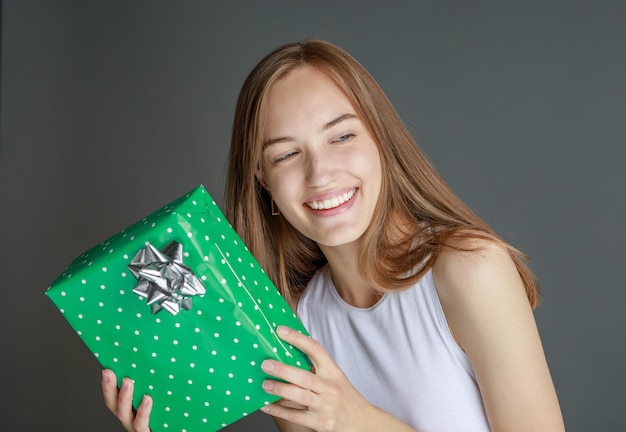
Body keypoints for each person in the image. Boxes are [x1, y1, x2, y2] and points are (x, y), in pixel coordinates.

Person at [102, 39, 565, 431]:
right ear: (262, 179)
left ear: (379, 139)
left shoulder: (469, 270)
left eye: (341, 137)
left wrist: (360, 420)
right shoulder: (290, 326)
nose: (320, 173)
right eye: (286, 155)